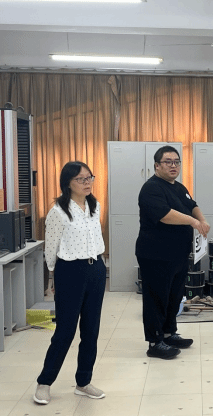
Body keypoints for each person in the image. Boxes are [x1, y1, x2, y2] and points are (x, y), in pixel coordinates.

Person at [34, 162, 107, 405]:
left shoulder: (94, 206)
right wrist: (53, 277)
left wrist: (99, 265)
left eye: (89, 177)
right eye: (81, 179)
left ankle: (83, 382)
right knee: (65, 330)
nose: (87, 183)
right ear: (68, 183)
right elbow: (51, 247)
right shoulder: (58, 212)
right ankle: (44, 382)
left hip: (96, 268)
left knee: (91, 329)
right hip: (70, 271)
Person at [136, 145, 209, 359]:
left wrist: (202, 219)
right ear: (157, 165)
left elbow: (192, 205)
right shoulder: (151, 188)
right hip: (156, 254)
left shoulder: (179, 187)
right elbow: (165, 215)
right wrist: (194, 222)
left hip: (177, 254)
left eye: (176, 162)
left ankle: (169, 333)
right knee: (156, 298)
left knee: (174, 296)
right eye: (168, 162)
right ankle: (155, 342)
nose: (173, 165)